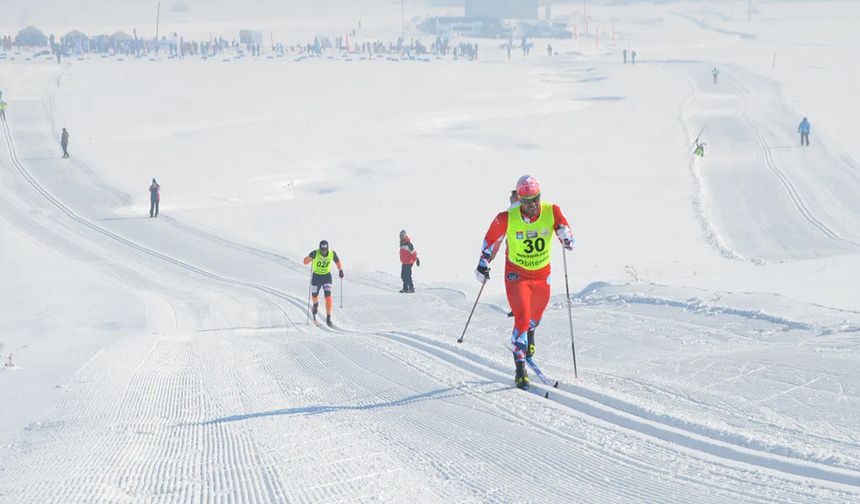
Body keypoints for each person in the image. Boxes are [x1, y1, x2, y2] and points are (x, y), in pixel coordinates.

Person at [475, 175, 574, 390]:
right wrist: (483, 263)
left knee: (535, 316)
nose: (533, 205)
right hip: (517, 274)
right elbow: (491, 241)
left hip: (541, 274)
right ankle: (520, 368)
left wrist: (566, 237)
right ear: (519, 199)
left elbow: (568, 236)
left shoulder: (552, 211)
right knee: (522, 315)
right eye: (527, 201)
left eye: (536, 199)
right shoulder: (506, 218)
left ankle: (530, 333)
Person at [303, 240, 344, 327]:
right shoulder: (315, 253)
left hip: (326, 277)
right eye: (322, 250)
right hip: (316, 277)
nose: (323, 252)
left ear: (327, 249)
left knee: (328, 296)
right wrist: (310, 256)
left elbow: (337, 261)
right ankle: (315, 304)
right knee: (314, 296)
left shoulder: (332, 253)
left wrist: (340, 270)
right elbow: (305, 262)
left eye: (325, 250)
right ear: (320, 248)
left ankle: (328, 318)